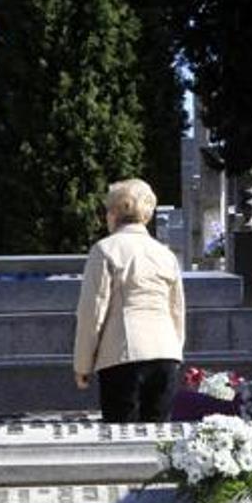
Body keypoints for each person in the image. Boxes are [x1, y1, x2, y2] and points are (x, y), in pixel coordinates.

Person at [73, 179, 186, 423]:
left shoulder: (104, 250)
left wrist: (83, 364)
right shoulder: (165, 255)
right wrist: (176, 352)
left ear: (113, 212)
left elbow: (92, 312)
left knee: (124, 440)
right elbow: (177, 310)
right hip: (165, 353)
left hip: (123, 354)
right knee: (159, 440)